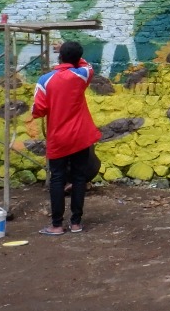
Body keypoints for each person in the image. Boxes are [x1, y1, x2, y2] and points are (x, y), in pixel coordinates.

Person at [29, 40, 102, 235]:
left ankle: (56, 225)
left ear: (60, 56)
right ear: (78, 58)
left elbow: (38, 111)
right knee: (79, 177)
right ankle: (76, 223)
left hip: (58, 138)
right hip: (80, 136)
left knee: (58, 179)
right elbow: (86, 65)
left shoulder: (45, 80)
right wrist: (73, 55)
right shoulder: (82, 75)